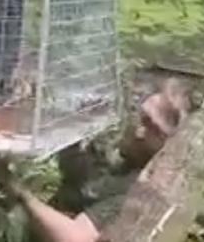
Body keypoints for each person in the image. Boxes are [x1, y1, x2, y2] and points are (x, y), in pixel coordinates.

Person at [10, 78, 191, 242]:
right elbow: (80, 178)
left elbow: (75, 238)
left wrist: (21, 194)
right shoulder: (127, 160)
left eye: (153, 130)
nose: (138, 131)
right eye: (142, 118)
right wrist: (76, 126)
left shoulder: (142, 189)